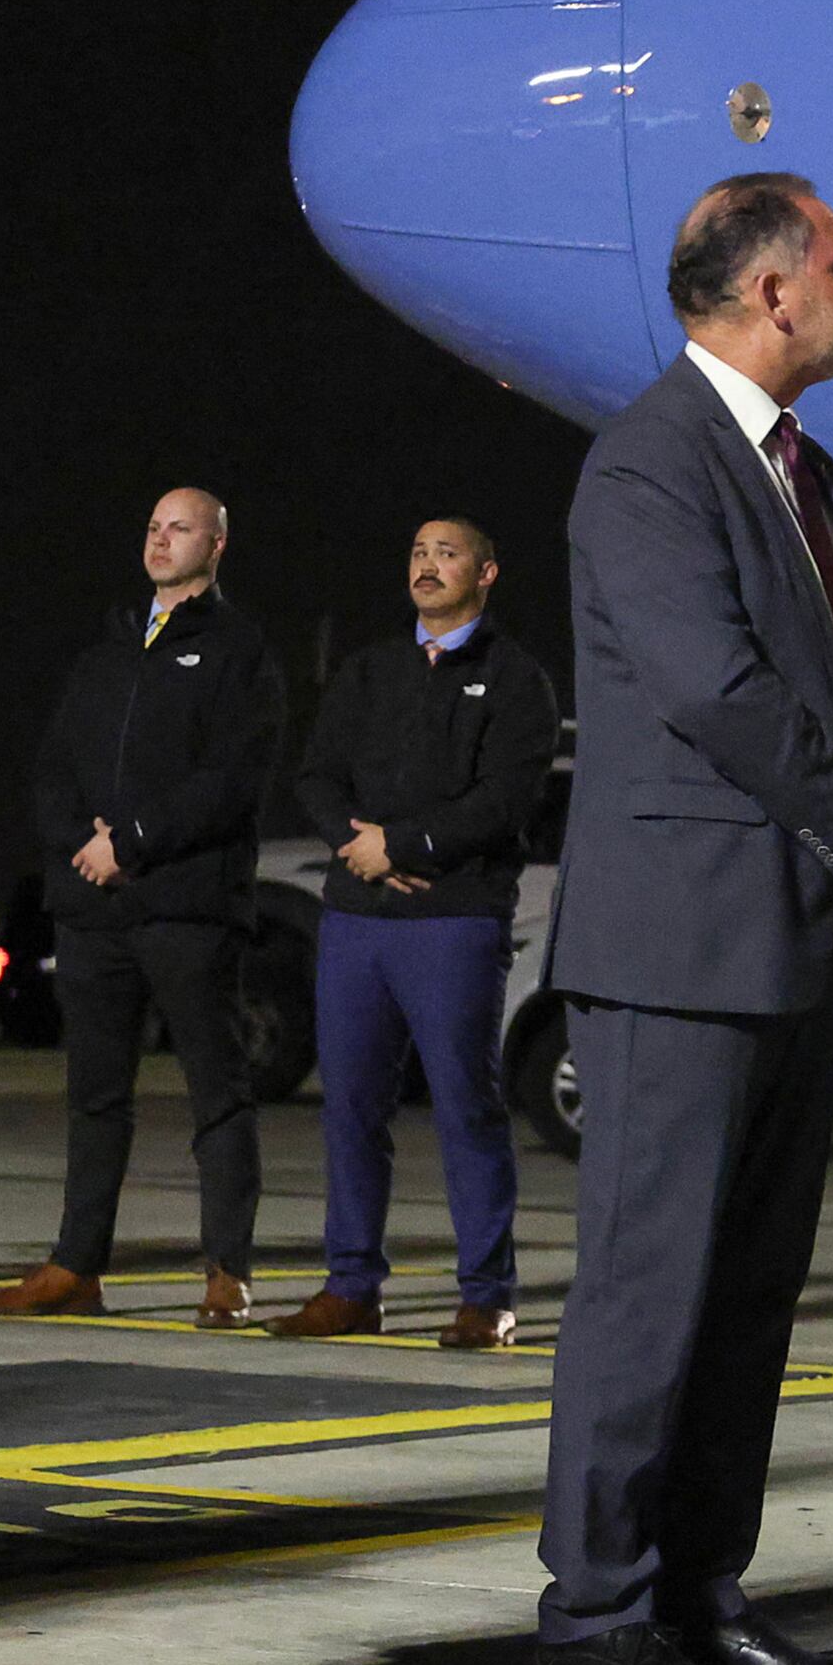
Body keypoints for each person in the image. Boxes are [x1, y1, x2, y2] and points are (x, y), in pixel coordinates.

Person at [532, 172, 833, 1665]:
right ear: (773, 291)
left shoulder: (813, 477)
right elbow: (712, 684)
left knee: (748, 1292)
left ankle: (703, 1592)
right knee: (649, 1291)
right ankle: (595, 1613)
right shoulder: (650, 464)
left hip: (785, 932)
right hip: (675, 943)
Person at [0, 486, 283, 1326]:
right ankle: (76, 1266)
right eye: (151, 525)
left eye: (178, 527)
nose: (159, 538)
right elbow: (52, 771)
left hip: (186, 908)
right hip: (95, 913)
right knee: (94, 1094)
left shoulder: (240, 651)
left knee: (216, 1091)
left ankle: (227, 1270)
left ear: (217, 543)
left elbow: (232, 781)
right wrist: (84, 845)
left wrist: (134, 841)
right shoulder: (106, 650)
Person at [268, 514, 559, 1348]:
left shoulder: (513, 680)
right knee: (350, 1108)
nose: (428, 566)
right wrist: (355, 846)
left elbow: (504, 801)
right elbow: (316, 773)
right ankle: (351, 1285)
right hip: (357, 919)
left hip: (453, 918)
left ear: (487, 572)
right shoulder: (370, 670)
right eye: (419, 552)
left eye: (448, 552)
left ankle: (486, 1293)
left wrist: (404, 843)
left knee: (466, 1105)